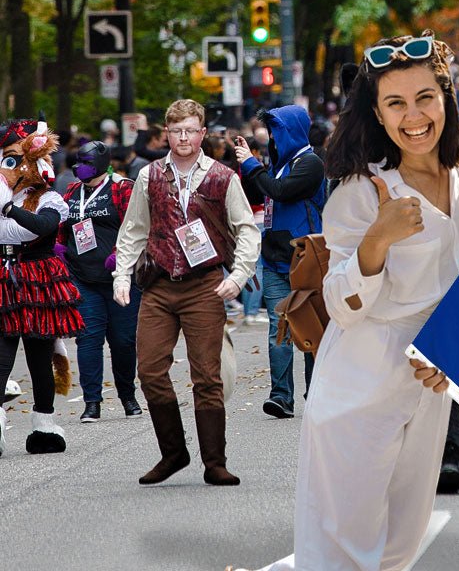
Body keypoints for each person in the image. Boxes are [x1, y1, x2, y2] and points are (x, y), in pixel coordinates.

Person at [254, 32, 459, 571]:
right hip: (361, 379)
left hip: (431, 382)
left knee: (400, 546)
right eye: (395, 103)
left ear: (445, 98)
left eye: (425, 97)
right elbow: (342, 303)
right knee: (343, 553)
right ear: (377, 115)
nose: (413, 115)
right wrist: (378, 238)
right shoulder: (362, 189)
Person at [112, 99, 260, 486]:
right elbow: (133, 230)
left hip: (204, 285)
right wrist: (122, 277)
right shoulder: (149, 176)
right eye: (177, 130)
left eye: (191, 130)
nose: (183, 137)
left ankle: (215, 463)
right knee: (149, 370)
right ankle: (174, 453)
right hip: (159, 284)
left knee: (206, 377)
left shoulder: (223, 176)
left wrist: (239, 275)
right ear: (166, 133)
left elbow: (246, 228)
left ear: (202, 133)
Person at [234, 105, 325, 419]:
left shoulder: (310, 163)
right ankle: (281, 397)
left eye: (278, 130)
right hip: (274, 261)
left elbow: (282, 192)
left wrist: (253, 166)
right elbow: (258, 192)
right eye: (271, 131)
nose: (274, 137)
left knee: (313, 330)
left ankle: (317, 395)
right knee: (279, 331)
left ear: (294, 131)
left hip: (307, 261)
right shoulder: (276, 165)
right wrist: (249, 166)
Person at [0, 118, 81, 456]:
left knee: (39, 358)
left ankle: (44, 425)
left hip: (38, 281)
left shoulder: (48, 199)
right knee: (2, 358)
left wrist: (7, 210)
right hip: (4, 279)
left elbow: (41, 228)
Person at [60, 141, 142, 422]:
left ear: (99, 163)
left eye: (84, 161)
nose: (78, 167)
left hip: (121, 278)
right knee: (88, 340)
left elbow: (137, 227)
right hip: (83, 278)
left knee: (123, 342)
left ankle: (128, 396)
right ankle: (92, 402)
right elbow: (63, 225)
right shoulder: (72, 191)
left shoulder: (122, 189)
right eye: (77, 161)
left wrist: (120, 255)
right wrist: (59, 248)